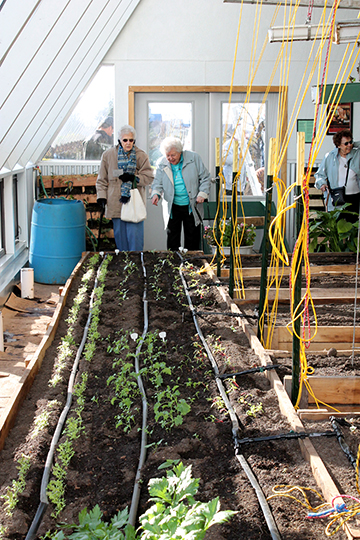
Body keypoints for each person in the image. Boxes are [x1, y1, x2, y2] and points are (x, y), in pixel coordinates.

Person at [96, 125, 153, 251]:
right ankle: (123, 268)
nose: (128, 143)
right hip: (116, 203)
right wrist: (101, 197)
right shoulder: (108, 155)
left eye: (131, 140)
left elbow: (149, 177)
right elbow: (101, 180)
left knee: (135, 242)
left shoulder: (141, 156)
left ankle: (136, 267)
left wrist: (134, 178)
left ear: (134, 141)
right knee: (121, 242)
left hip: (134, 204)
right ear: (119, 141)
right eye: (125, 140)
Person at [151, 136, 211, 251]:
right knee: (172, 238)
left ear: (180, 152)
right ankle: (174, 265)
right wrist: (156, 194)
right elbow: (157, 183)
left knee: (192, 238)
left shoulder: (193, 158)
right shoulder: (161, 163)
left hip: (191, 204)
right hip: (172, 206)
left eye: (173, 155)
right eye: (167, 155)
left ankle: (192, 265)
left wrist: (202, 193)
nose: (170, 158)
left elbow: (205, 178)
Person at [315, 129, 360, 221]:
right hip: (338, 197)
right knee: (339, 225)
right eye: (346, 143)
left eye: (350, 142)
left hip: (355, 197)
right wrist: (322, 184)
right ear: (338, 145)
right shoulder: (330, 157)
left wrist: (354, 143)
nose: (349, 145)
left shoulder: (356, 154)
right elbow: (320, 175)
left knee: (353, 226)